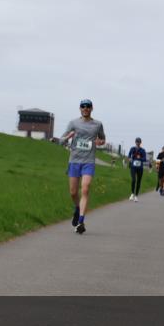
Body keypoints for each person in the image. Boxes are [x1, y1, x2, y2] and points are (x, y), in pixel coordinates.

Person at [58, 99, 106, 235]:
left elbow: (103, 139)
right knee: (73, 193)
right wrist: (68, 137)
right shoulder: (73, 123)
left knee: (85, 189)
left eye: (88, 106)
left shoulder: (98, 124)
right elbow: (61, 140)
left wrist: (100, 142)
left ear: (92, 108)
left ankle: (81, 221)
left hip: (88, 162)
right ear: (80, 108)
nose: (85, 108)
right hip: (74, 161)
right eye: (83, 106)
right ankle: (78, 208)